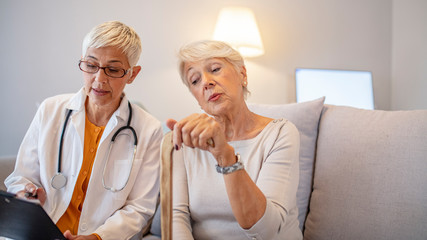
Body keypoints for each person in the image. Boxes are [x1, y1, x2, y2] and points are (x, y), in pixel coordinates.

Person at [5, 21, 163, 240]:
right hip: (39, 231)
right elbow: (21, 177)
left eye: (113, 69)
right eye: (91, 65)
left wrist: (97, 237)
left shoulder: (149, 130)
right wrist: (26, 193)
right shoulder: (51, 110)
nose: (99, 79)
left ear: (132, 74)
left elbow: (140, 208)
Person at [166, 40, 302, 239]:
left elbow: (266, 230)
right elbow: (176, 217)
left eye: (214, 69)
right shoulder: (185, 139)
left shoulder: (280, 133)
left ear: (243, 75)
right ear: (196, 97)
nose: (206, 82)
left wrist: (225, 155)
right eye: (195, 80)